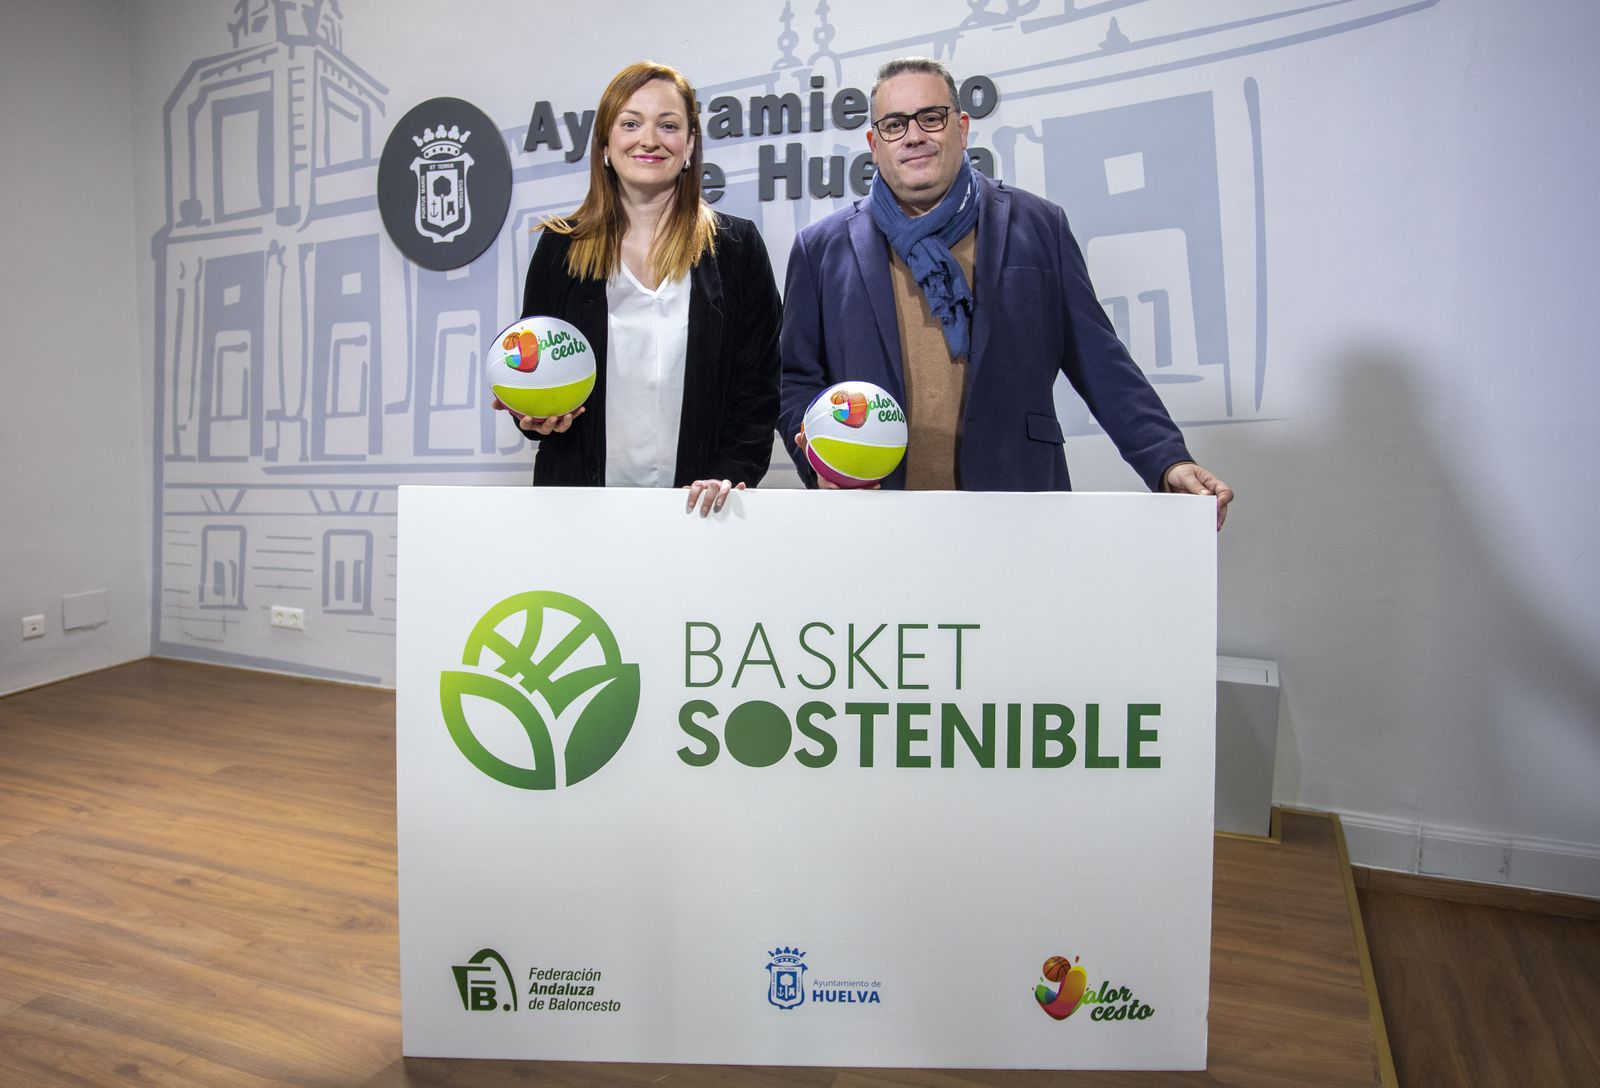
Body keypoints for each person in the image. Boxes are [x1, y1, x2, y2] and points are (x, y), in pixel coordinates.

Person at [778, 57, 1234, 528]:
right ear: (875, 145)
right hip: (871, 517)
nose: (913, 136)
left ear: (962, 127)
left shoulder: (1039, 225)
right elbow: (795, 380)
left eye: (931, 117)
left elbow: (1101, 361)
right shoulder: (821, 248)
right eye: (895, 125)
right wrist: (822, 462)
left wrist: (1167, 460)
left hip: (1020, 508)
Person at [498, 61, 782, 517]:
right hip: (581, 511)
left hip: (701, 511)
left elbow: (760, 387)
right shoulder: (559, 247)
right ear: (605, 144)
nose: (649, 139)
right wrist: (534, 414)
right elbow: (538, 369)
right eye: (630, 123)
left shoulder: (737, 248)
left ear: (690, 144)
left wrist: (729, 471)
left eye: (668, 125)